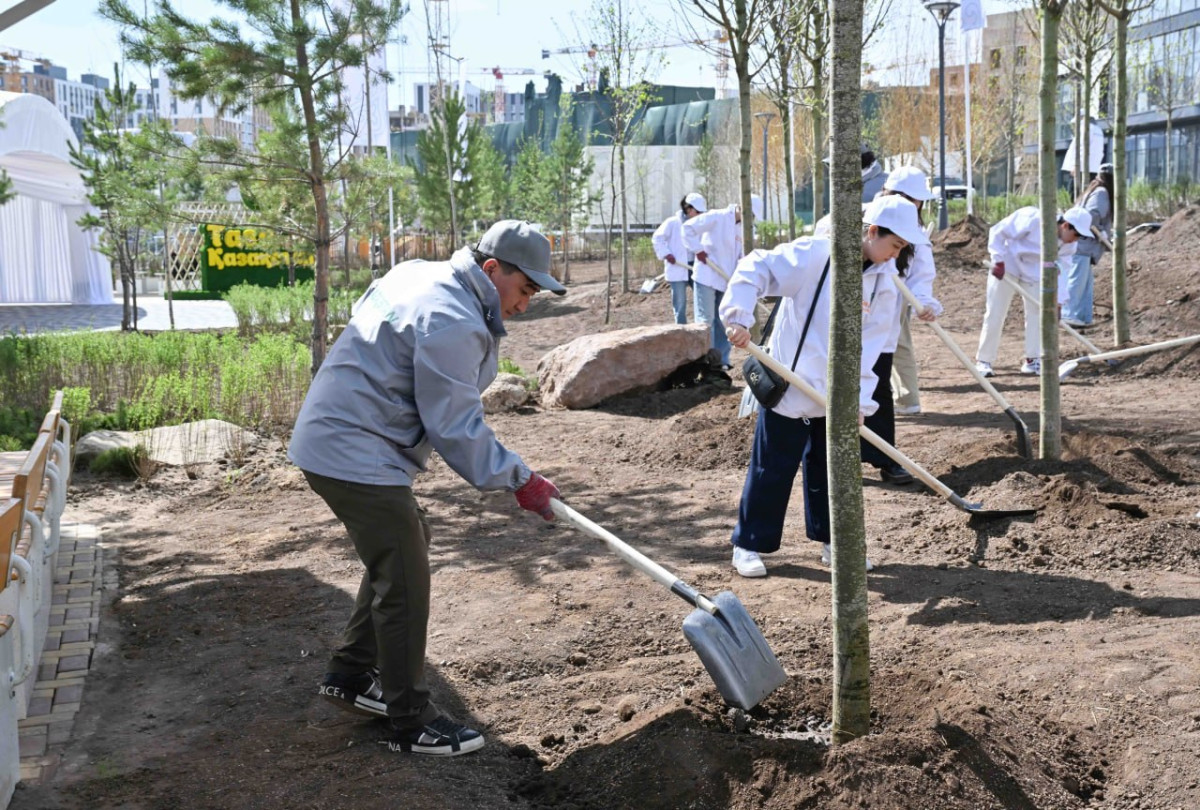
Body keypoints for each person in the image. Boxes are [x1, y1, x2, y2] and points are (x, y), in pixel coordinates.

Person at [289, 220, 566, 757]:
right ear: (492, 269)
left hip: (339, 435)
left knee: (407, 541)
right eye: (525, 289)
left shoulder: (419, 273)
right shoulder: (452, 319)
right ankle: (411, 719)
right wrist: (521, 480)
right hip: (354, 450)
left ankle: (350, 673)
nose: (526, 304)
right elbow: (455, 427)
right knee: (404, 577)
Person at [719, 195, 930, 578]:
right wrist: (738, 316)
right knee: (772, 468)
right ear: (872, 231)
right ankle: (748, 543)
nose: (895, 256)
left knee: (832, 472)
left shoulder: (883, 283)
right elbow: (755, 266)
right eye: (895, 245)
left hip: (836, 396)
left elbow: (871, 349)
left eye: (902, 249)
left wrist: (859, 401)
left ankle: (835, 543)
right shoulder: (816, 255)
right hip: (790, 385)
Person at [860, 167, 943, 486]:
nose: (911, 204)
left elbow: (921, 277)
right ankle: (835, 458)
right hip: (844, 324)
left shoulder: (915, 238)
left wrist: (924, 302)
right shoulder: (866, 221)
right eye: (904, 197)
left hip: (882, 327)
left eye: (915, 200)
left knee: (878, 388)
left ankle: (885, 458)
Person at [975, 206, 1093, 377]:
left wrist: (1059, 302)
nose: (1076, 240)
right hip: (1008, 266)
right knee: (995, 313)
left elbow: (1062, 271)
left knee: (1037, 314)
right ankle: (984, 360)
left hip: (1035, 272)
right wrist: (998, 259)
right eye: (1077, 235)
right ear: (1065, 225)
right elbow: (998, 231)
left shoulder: (1069, 245)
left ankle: (1032, 360)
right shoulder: (1032, 218)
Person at [683, 194, 762, 369]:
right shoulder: (717, 217)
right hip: (707, 275)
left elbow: (742, 256)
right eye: (751, 215)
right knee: (705, 320)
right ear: (743, 208)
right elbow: (688, 228)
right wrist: (698, 250)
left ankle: (721, 361)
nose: (752, 219)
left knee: (724, 321)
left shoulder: (745, 229)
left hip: (726, 280)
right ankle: (705, 361)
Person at [1063, 164, 1113, 327]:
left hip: (1085, 246)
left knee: (1085, 284)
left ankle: (1083, 317)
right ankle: (1068, 314)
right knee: (1077, 282)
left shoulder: (1095, 190)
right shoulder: (1101, 193)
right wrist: (1101, 232)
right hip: (1083, 245)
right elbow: (1090, 215)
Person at [651, 192, 706, 324]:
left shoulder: (700, 223)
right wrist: (666, 254)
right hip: (678, 266)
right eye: (698, 212)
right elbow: (657, 238)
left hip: (696, 266)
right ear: (688, 209)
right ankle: (681, 329)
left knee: (702, 300)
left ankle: (702, 328)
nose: (700, 215)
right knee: (680, 303)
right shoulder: (672, 223)